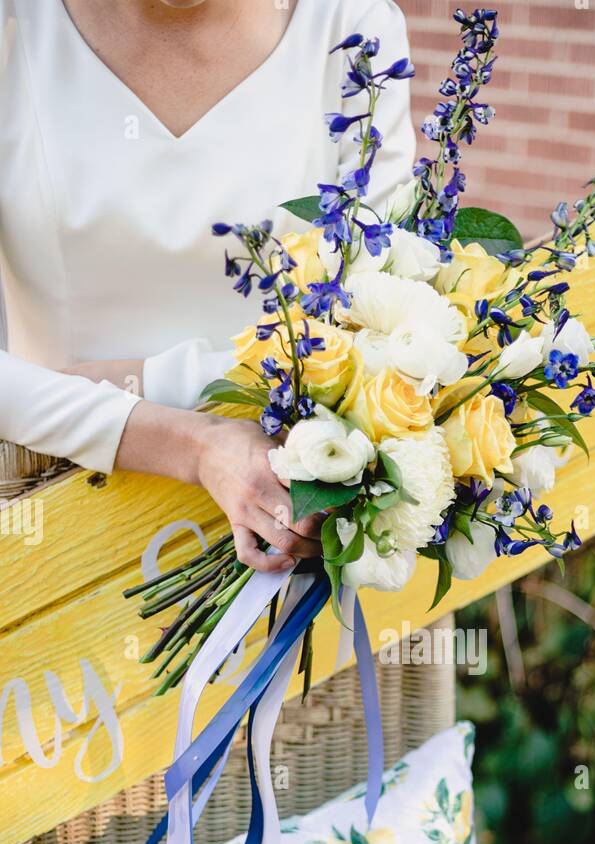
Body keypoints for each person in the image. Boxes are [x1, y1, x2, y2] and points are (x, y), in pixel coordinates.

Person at [0, 0, 415, 570]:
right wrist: (189, 445)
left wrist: (149, 378)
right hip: (51, 518)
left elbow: (384, 315)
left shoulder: (349, 28)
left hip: (297, 534)